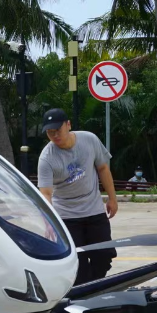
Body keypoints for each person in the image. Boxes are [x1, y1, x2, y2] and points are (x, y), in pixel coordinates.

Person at [37, 108, 118, 285]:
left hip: (94, 210)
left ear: (68, 125)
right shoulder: (46, 158)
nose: (54, 135)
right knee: (77, 264)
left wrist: (112, 198)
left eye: (57, 130)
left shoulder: (89, 140)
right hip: (67, 216)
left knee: (104, 256)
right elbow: (46, 193)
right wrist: (49, 221)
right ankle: (85, 292)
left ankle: (92, 288)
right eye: (50, 132)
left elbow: (103, 168)